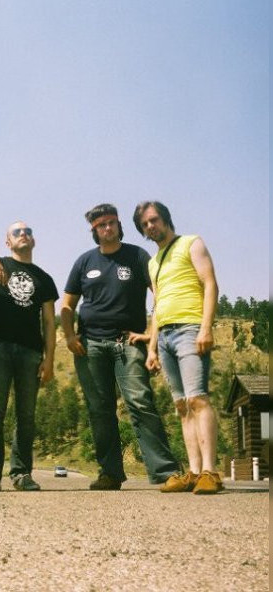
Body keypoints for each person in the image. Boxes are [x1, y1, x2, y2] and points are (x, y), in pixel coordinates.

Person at [60, 204, 179, 490]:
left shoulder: (137, 256)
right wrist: (69, 336)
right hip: (90, 346)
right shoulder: (84, 262)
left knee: (140, 402)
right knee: (99, 409)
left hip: (128, 341)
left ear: (119, 224)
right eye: (101, 225)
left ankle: (166, 472)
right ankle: (110, 473)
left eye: (112, 223)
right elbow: (66, 304)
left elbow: (160, 293)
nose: (108, 228)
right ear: (94, 231)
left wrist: (152, 332)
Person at [133, 201, 222, 494]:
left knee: (198, 399)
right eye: (144, 224)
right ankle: (194, 473)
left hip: (190, 328)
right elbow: (156, 307)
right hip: (166, 335)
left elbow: (209, 284)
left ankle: (210, 471)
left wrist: (206, 327)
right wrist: (152, 348)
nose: (150, 226)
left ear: (165, 218)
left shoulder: (191, 243)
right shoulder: (153, 261)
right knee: (182, 405)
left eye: (153, 220)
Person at [0, 222, 58, 491]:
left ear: (33, 241)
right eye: (17, 232)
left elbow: (49, 322)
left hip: (31, 352)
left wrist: (49, 359)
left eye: (28, 232)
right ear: (7, 242)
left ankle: (22, 473)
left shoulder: (45, 278)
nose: (24, 234)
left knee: (26, 415)